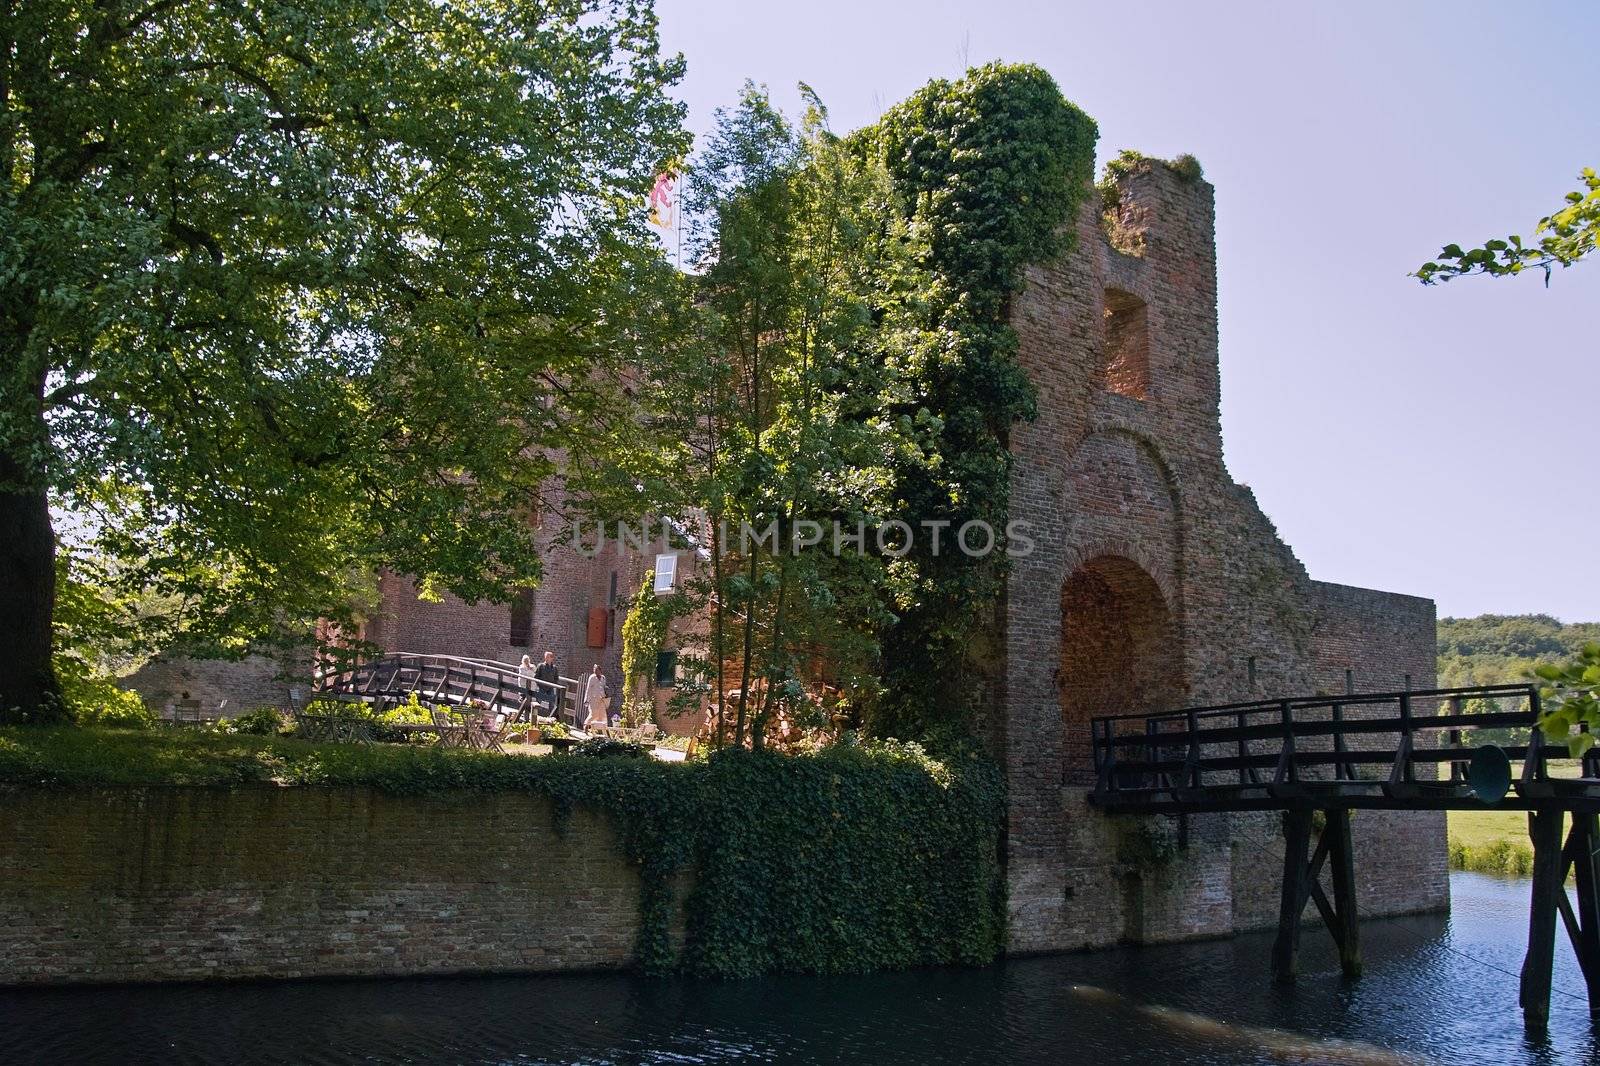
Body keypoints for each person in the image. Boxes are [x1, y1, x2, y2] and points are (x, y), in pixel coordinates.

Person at [533, 651, 561, 721]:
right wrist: (540, 684)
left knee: (552, 702)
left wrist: (553, 684)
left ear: (552, 658)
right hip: (542, 686)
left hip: (550, 687)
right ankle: (534, 715)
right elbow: (536, 677)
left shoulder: (554, 668)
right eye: (545, 657)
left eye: (548, 657)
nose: (546, 658)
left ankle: (551, 717)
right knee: (538, 701)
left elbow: (556, 678)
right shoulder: (541, 666)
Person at [582, 664, 610, 731]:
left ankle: (600, 729)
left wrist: (606, 691)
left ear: (600, 671)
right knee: (593, 713)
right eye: (594, 669)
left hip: (601, 699)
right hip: (593, 698)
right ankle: (586, 725)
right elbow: (588, 689)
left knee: (602, 714)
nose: (595, 671)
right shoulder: (592, 678)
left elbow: (603, 687)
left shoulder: (603, 678)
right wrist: (586, 699)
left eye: (597, 670)